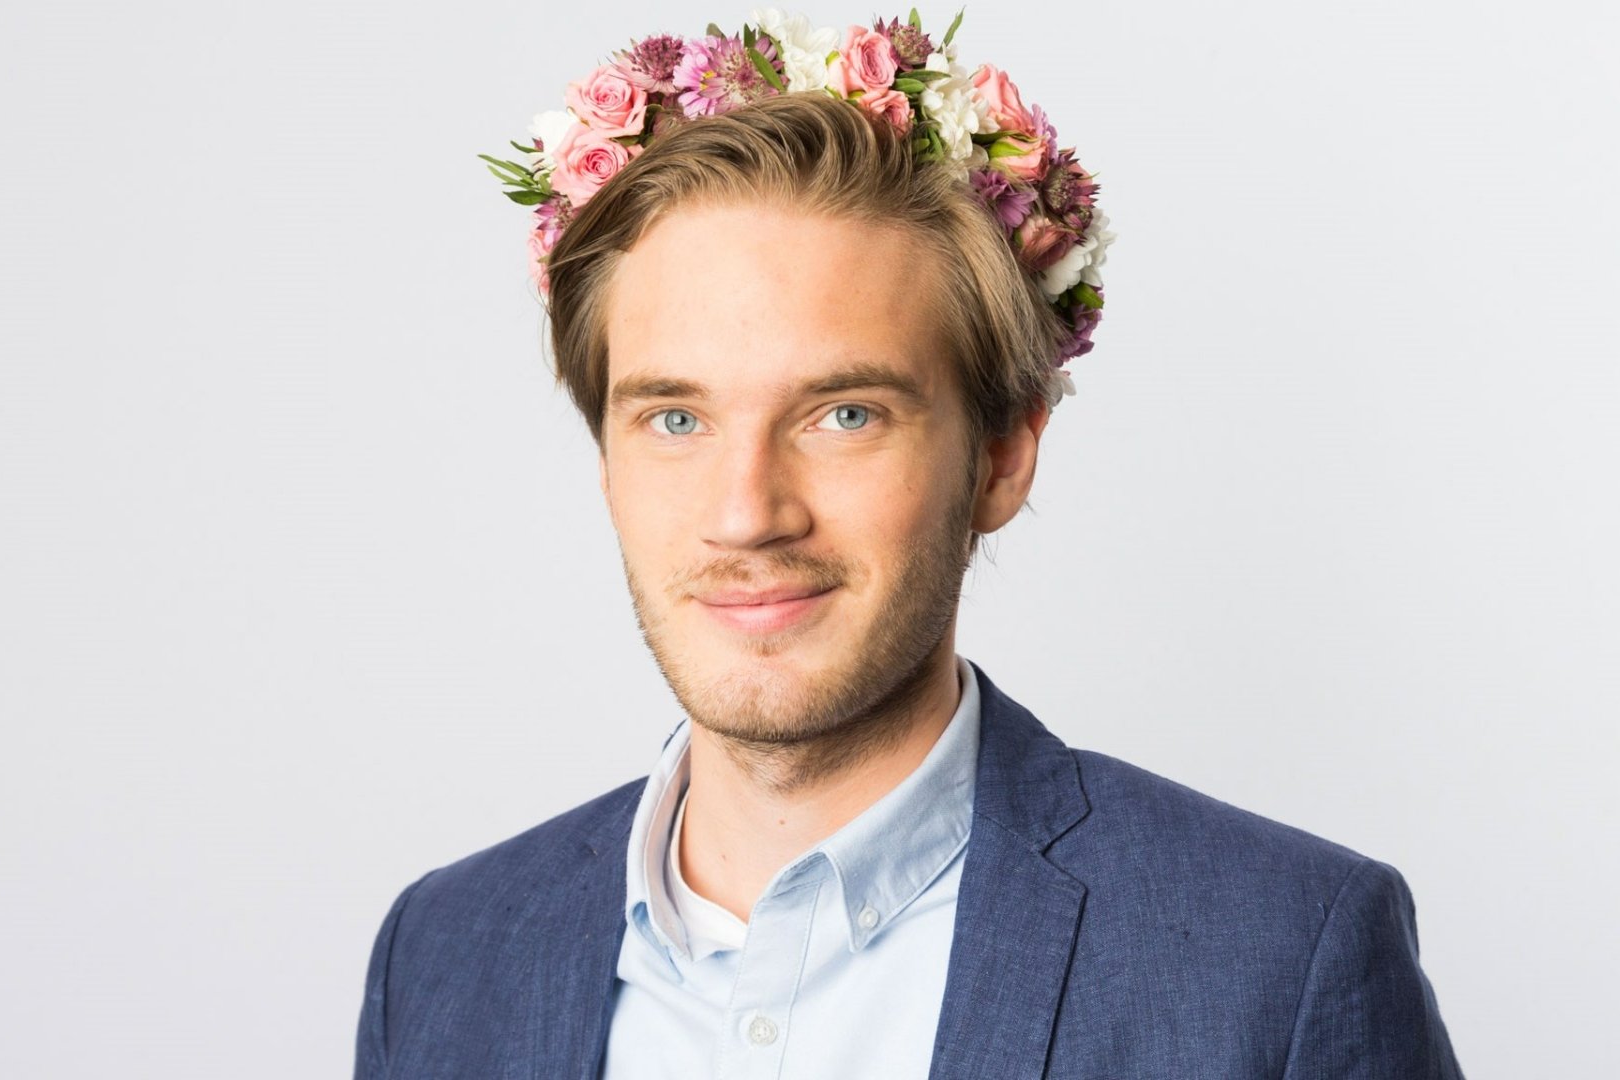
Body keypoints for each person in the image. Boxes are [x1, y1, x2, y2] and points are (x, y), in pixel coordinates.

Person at [356, 10, 1464, 1078]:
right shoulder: (444, 955)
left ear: (1001, 456)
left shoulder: (1281, 961)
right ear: (606, 460)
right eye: (676, 419)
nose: (748, 513)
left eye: (845, 415)